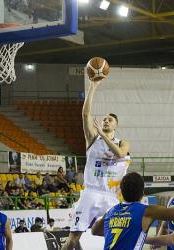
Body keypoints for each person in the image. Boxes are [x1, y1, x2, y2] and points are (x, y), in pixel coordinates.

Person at [62, 79, 131, 250]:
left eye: (110, 120)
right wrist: (92, 87)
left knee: (118, 236)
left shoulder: (123, 142)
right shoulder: (93, 138)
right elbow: (86, 115)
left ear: (116, 125)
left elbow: (120, 154)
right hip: (91, 193)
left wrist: (103, 134)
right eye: (105, 119)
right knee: (73, 238)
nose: (106, 121)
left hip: (111, 196)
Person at [91, 172, 174, 250]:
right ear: (142, 193)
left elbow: (94, 231)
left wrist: (122, 231)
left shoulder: (111, 211)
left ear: (121, 192)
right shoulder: (147, 211)